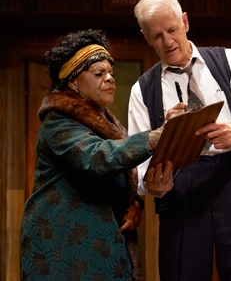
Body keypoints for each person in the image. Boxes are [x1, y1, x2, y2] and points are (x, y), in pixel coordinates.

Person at [128, 0, 231, 281]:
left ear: (185, 21)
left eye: (171, 30)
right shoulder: (142, 90)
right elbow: (138, 167)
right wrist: (154, 184)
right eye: (157, 36)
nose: (167, 42)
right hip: (181, 190)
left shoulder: (229, 60)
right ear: (145, 38)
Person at [19, 29, 174, 281]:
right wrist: (155, 137)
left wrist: (134, 204)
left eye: (111, 73)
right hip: (64, 248)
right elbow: (98, 158)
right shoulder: (58, 121)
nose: (110, 79)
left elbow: (122, 173)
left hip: (102, 242)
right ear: (73, 82)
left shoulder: (105, 120)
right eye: (99, 74)